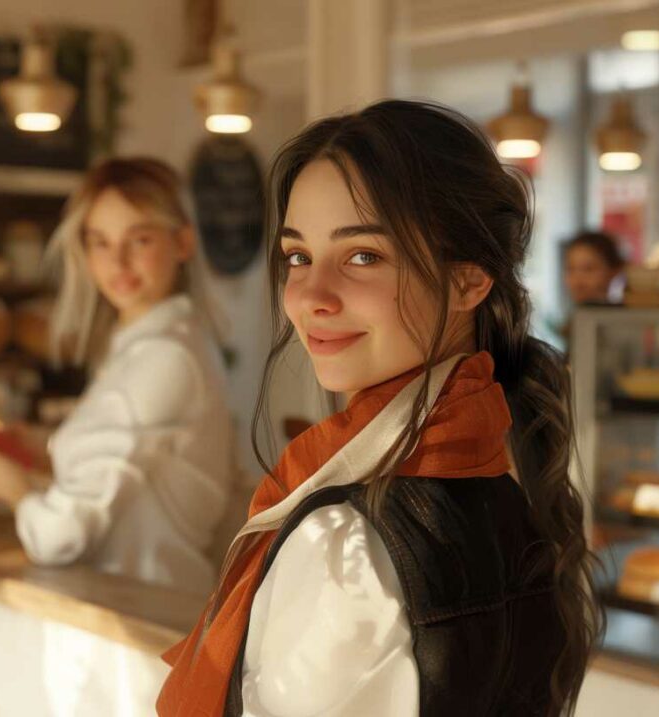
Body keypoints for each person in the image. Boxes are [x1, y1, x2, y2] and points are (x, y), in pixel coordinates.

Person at [156, 100, 599, 716]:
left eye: (363, 256)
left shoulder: (346, 543)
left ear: (470, 279)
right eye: (298, 256)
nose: (310, 296)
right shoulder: (510, 481)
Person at [0, 157, 234, 593]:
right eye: (100, 242)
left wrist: (17, 492)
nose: (118, 261)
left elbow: (58, 537)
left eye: (140, 239)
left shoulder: (164, 357)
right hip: (135, 604)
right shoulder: (148, 343)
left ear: (183, 243)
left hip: (147, 614)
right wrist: (48, 448)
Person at [562, 230, 625, 305]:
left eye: (589, 269)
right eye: (570, 269)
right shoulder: (571, 315)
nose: (577, 282)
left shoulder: (627, 315)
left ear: (614, 271)